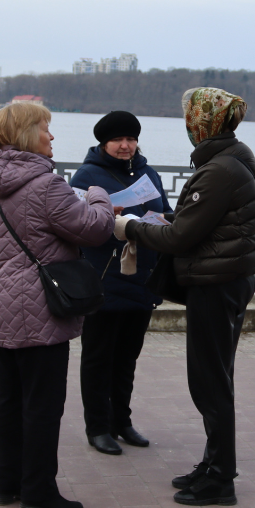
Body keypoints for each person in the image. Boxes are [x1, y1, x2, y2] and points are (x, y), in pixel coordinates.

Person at [114, 88, 255, 506]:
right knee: (215, 377)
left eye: (190, 117)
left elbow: (182, 237)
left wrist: (128, 228)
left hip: (217, 285)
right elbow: (206, 223)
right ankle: (213, 464)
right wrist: (168, 218)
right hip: (228, 279)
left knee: (210, 381)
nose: (187, 124)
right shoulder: (234, 157)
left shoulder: (219, 169)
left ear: (204, 122)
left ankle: (220, 479)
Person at [0, 103, 114, 508]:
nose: (51, 137)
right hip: (40, 307)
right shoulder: (47, 186)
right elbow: (94, 227)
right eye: (44, 129)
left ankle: (7, 485)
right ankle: (38, 493)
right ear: (23, 135)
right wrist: (99, 195)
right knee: (43, 403)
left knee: (9, 398)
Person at [70, 111, 170, 455]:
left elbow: (166, 212)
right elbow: (77, 224)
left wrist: (161, 221)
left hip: (141, 278)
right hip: (103, 277)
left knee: (128, 356)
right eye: (118, 140)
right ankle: (97, 427)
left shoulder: (148, 173)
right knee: (98, 357)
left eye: (131, 139)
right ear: (104, 143)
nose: (125, 146)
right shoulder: (87, 176)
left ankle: (121, 421)